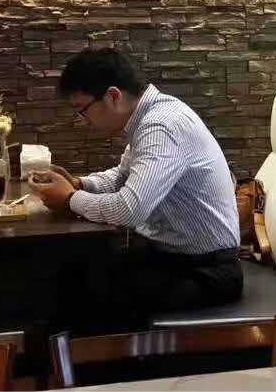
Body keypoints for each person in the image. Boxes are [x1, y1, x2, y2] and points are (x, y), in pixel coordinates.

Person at [29, 47, 242, 328]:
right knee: (73, 271)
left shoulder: (162, 126)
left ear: (113, 96)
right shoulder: (148, 118)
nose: (83, 122)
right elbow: (122, 177)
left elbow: (129, 209)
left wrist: (69, 198)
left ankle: (86, 354)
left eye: (82, 110)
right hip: (174, 258)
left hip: (207, 271)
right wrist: (80, 184)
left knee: (86, 296)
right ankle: (63, 354)